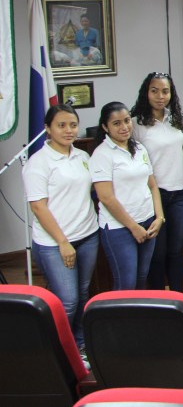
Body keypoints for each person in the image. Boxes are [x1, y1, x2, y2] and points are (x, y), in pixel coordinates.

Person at [23, 104, 98, 361]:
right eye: (61, 125)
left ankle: (79, 347)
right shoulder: (38, 163)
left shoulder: (83, 157)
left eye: (73, 125)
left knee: (82, 294)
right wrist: (63, 242)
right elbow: (38, 207)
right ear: (47, 128)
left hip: (87, 236)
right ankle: (50, 351)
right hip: (56, 243)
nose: (69, 130)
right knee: (67, 301)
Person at [91, 101, 164, 291]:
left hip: (148, 222)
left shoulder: (139, 148)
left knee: (141, 278)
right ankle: (118, 321)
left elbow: (153, 186)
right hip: (119, 228)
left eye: (126, 121)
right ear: (105, 127)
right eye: (116, 123)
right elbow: (106, 198)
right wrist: (133, 227)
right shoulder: (102, 154)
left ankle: (137, 320)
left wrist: (159, 217)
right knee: (126, 283)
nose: (124, 127)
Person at [130, 72, 183, 293]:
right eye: (154, 90)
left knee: (176, 250)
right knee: (158, 251)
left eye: (165, 91)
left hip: (181, 193)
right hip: (155, 194)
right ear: (146, 92)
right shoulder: (136, 124)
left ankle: (177, 297)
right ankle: (159, 300)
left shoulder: (176, 119)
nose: (160, 96)